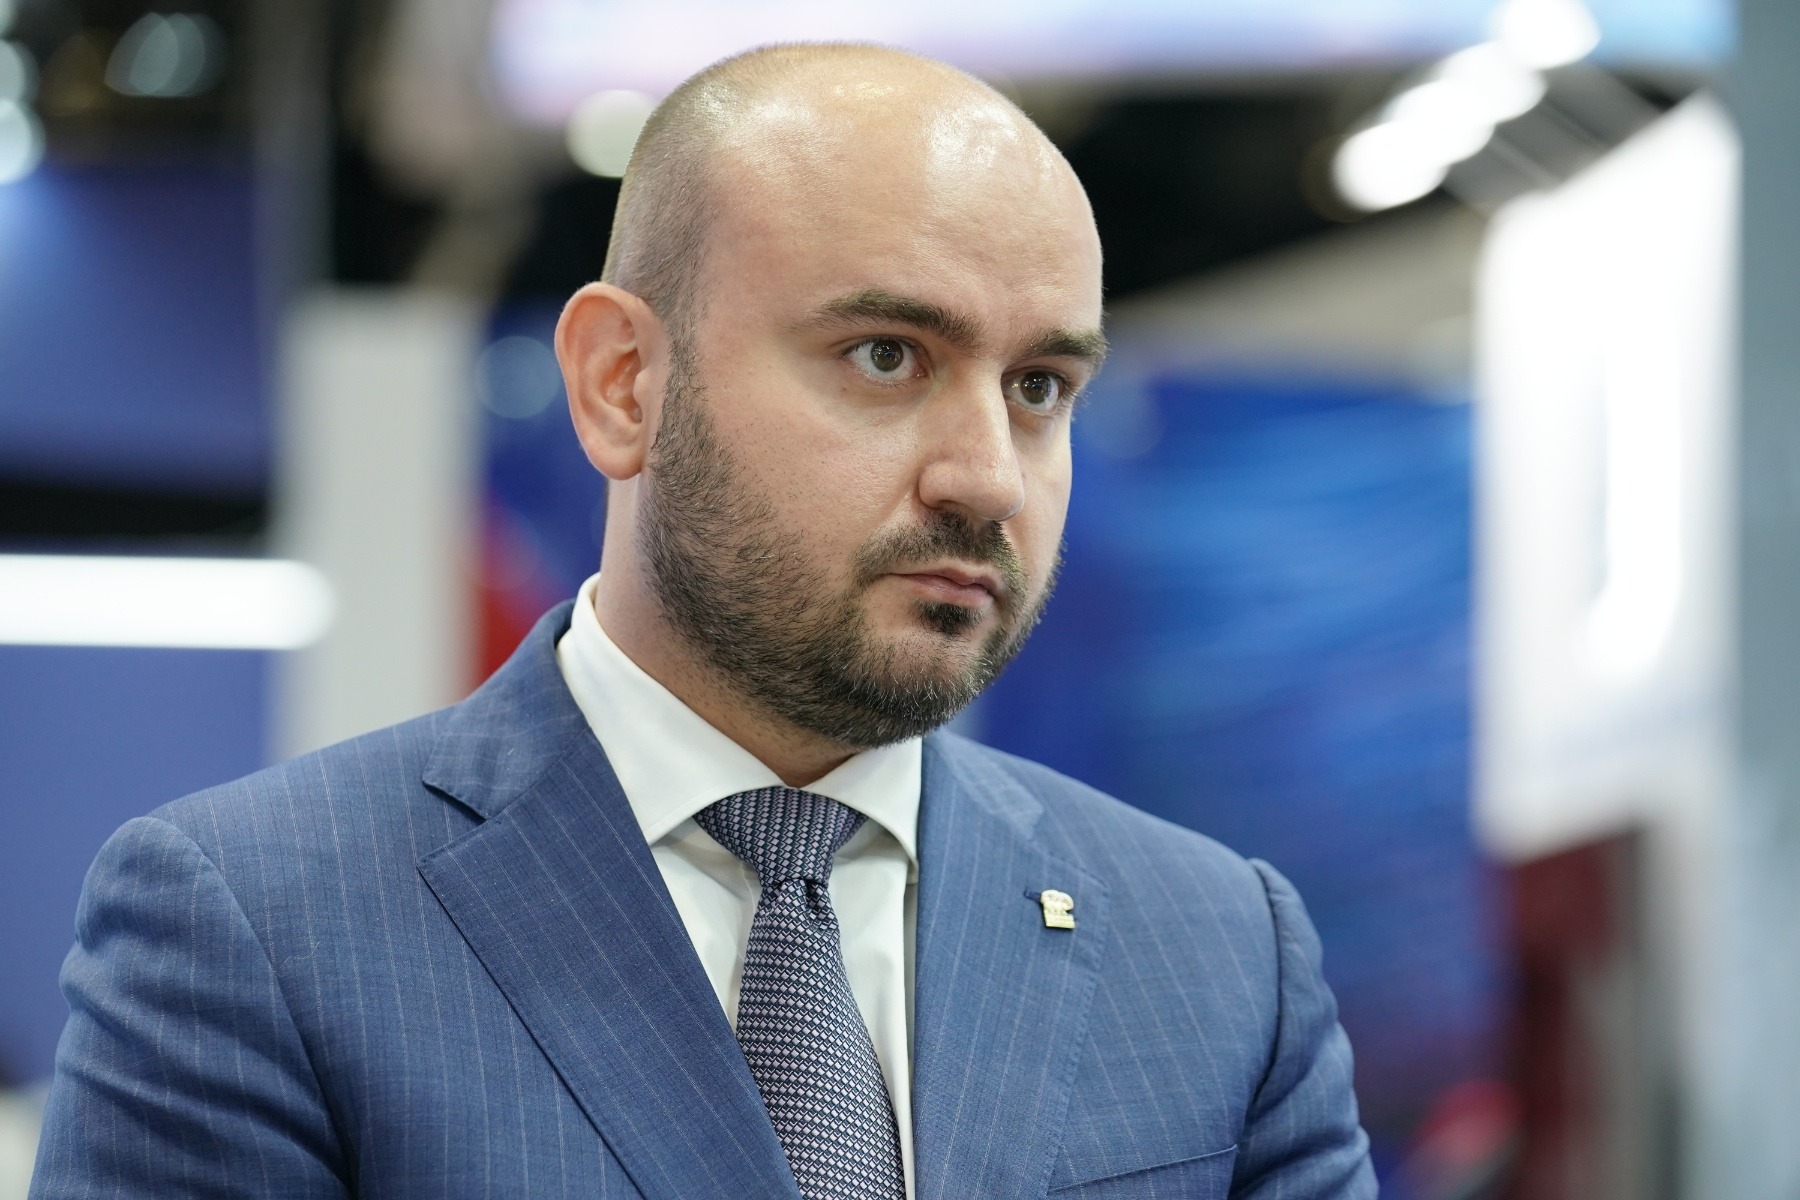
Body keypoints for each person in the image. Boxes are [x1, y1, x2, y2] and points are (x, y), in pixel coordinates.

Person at [31, 43, 1374, 1200]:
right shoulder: (257, 927)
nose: (986, 477)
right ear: (623, 383)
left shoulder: (1217, 953)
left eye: (1039, 387)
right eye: (886, 356)